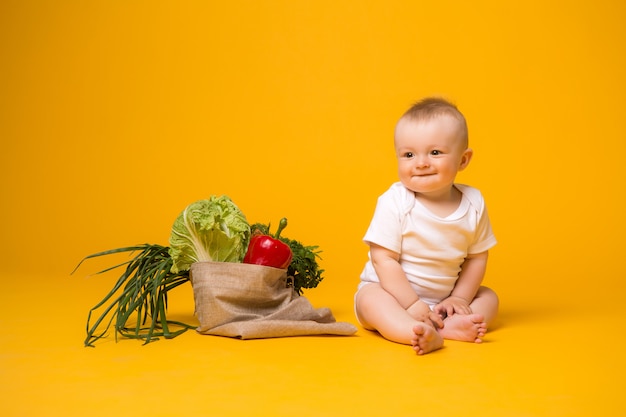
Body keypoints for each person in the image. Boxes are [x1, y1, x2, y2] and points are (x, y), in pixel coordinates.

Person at [354, 97, 499, 355]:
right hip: (394, 296)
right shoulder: (395, 201)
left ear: (463, 160)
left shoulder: (473, 202)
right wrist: (411, 305)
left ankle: (448, 324)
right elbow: (383, 259)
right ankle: (414, 330)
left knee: (489, 298)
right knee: (370, 300)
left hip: (445, 300)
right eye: (409, 154)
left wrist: (460, 299)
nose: (421, 163)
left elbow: (477, 258)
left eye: (435, 153)